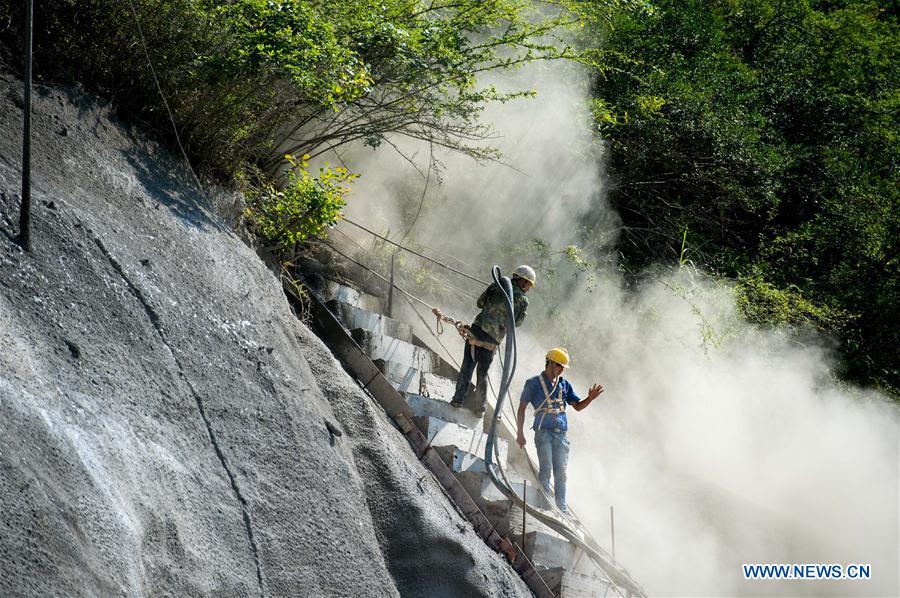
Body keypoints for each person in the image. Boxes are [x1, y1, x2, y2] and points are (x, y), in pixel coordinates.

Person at [515, 347, 603, 513]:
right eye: (560, 366)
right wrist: (520, 434)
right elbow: (521, 409)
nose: (562, 370)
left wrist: (589, 399)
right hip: (543, 433)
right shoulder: (533, 383)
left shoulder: (564, 385)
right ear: (551, 364)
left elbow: (577, 406)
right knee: (546, 468)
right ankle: (544, 504)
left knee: (561, 472)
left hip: (561, 435)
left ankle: (561, 508)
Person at [449, 265, 536, 415]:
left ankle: (458, 399)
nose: (528, 288)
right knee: (483, 373)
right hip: (492, 341)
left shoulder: (497, 285)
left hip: (476, 331)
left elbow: (479, 303)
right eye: (529, 284)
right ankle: (480, 408)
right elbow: (517, 323)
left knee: (467, 366)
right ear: (522, 281)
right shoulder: (523, 301)